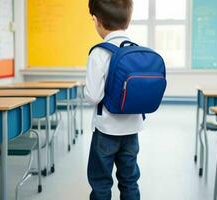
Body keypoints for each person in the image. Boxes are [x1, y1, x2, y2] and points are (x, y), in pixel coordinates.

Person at [84, 0, 143, 200]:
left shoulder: (100, 52)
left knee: (101, 183)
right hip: (132, 129)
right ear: (127, 20)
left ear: (98, 21)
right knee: (129, 181)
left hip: (106, 130)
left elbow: (93, 96)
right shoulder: (137, 50)